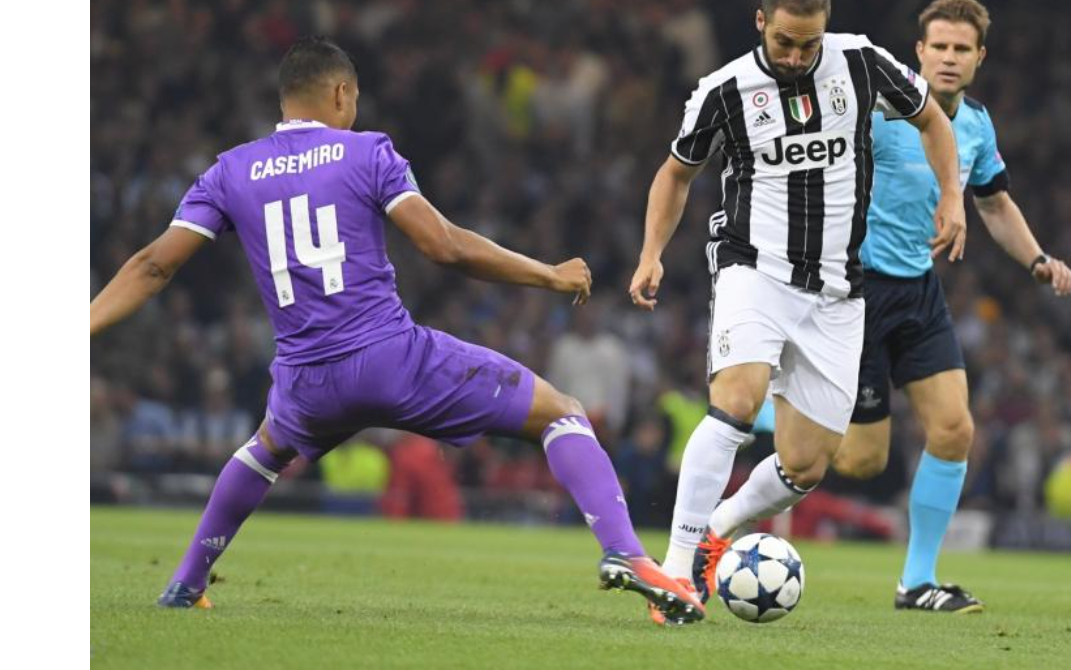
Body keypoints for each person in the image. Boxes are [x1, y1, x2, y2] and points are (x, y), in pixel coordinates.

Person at [89, 36, 703, 625]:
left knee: (266, 448)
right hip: (391, 359)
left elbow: (154, 265)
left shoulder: (229, 171)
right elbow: (444, 246)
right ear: (339, 95)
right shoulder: (367, 151)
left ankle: (187, 583)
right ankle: (624, 549)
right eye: (352, 100)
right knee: (560, 412)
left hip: (305, 380)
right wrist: (548, 274)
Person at [627, 0, 967, 621]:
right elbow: (675, 175)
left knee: (807, 465)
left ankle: (712, 535)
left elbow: (932, 119)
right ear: (762, 23)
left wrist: (952, 195)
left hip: (839, 294)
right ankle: (673, 573)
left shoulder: (861, 62)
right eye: (784, 41)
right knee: (735, 401)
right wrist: (651, 255)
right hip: (755, 270)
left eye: (808, 44)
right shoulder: (724, 90)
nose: (795, 55)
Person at [828, 0, 1071, 613]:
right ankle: (762, 417)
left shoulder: (977, 125)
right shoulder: (880, 111)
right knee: (860, 462)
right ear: (918, 51)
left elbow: (993, 202)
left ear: (978, 58)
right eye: (938, 46)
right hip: (859, 290)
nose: (948, 57)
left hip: (919, 291)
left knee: (954, 429)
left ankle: (916, 582)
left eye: (960, 49)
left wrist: (1038, 260)